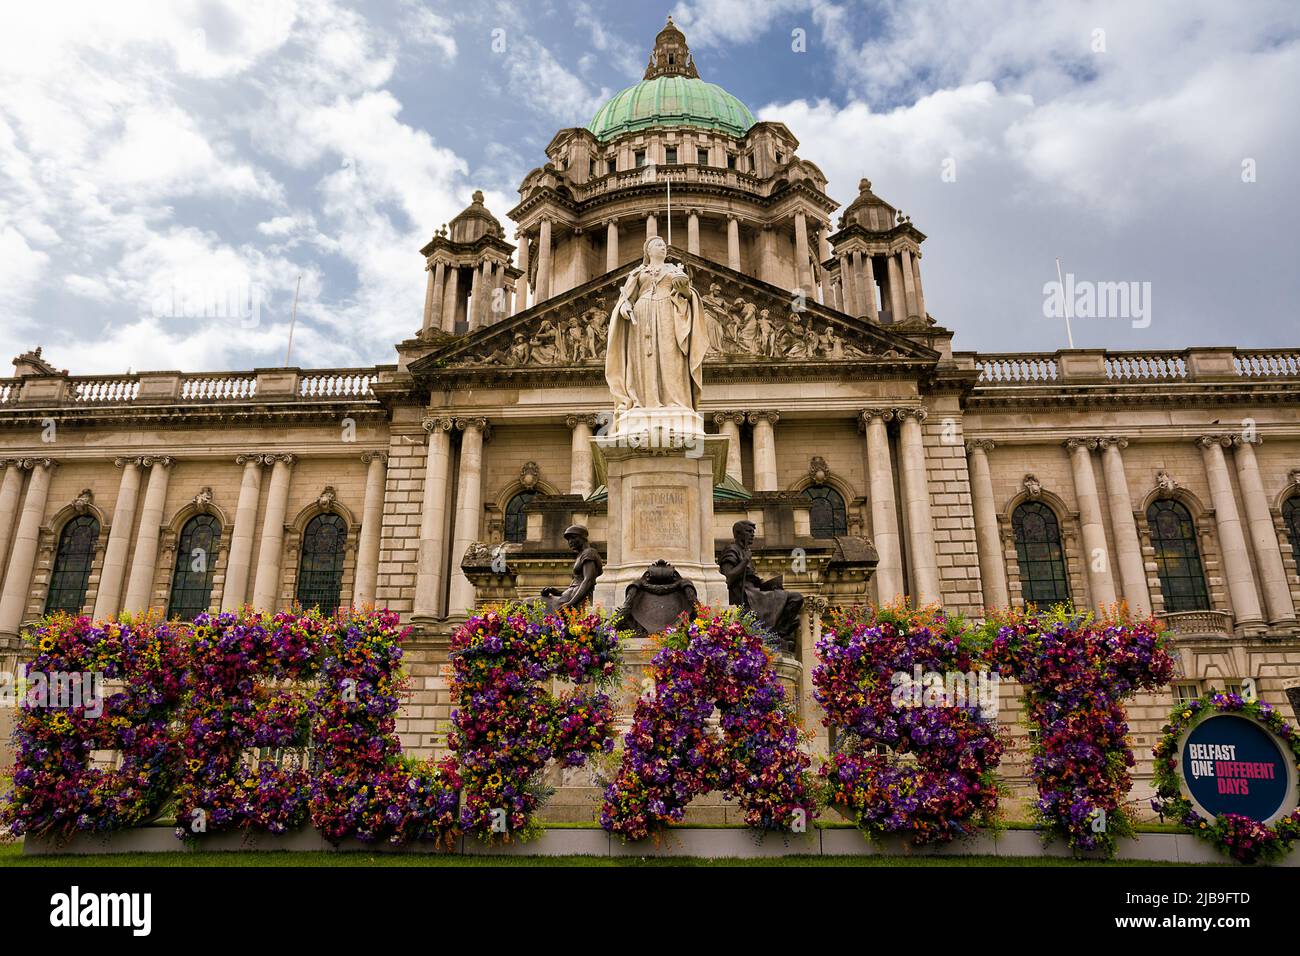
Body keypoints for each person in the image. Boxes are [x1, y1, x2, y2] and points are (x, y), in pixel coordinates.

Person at [605, 236, 708, 412]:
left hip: (668, 313)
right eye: (658, 245)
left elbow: (687, 295)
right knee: (644, 357)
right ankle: (643, 400)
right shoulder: (638, 272)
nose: (663, 247)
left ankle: (675, 400)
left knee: (671, 355)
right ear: (649, 251)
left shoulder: (675, 270)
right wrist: (624, 308)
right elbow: (627, 298)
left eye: (663, 245)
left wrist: (684, 289)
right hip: (642, 316)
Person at [717, 520, 804, 650]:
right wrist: (745, 561)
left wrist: (769, 585)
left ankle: (775, 634)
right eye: (748, 531)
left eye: (753, 532)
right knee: (793, 599)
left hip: (756, 592)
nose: (752, 534)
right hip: (745, 595)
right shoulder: (731, 550)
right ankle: (772, 634)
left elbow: (752, 578)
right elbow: (727, 578)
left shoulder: (746, 551)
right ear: (738, 533)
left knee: (796, 600)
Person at [541, 525, 603, 611]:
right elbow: (575, 586)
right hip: (568, 597)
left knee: (528, 603)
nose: (570, 542)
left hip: (574, 601)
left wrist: (571, 603)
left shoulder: (589, 553)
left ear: (583, 537)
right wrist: (557, 592)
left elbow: (588, 581)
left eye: (573, 537)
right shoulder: (581, 555)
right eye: (568, 539)